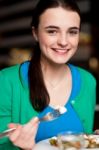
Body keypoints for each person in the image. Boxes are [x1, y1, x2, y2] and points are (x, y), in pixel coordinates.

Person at [0, 0, 96, 149]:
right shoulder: (6, 81)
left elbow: (82, 142)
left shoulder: (88, 81)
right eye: (52, 31)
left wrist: (93, 139)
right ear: (35, 33)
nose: (64, 42)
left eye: (72, 32)